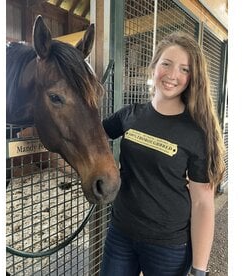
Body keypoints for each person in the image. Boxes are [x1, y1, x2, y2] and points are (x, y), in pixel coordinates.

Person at [100, 31, 225, 276]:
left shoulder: (196, 133)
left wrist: (199, 268)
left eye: (184, 69)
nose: (172, 75)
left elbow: (202, 203)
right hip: (120, 233)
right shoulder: (129, 115)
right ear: (154, 65)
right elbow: (91, 139)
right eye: (166, 64)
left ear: (192, 78)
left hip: (168, 246)